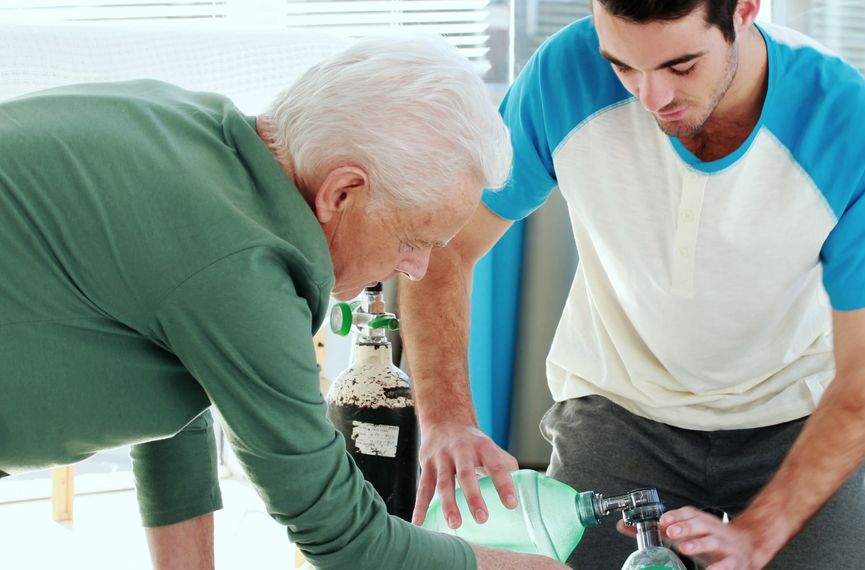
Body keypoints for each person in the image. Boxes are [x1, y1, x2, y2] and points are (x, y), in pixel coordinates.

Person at [0, 33, 567, 570]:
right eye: (412, 240)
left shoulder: (195, 133)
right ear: (342, 192)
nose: (415, 268)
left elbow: (178, 391)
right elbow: (346, 538)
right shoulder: (240, 268)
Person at [399, 1, 865, 569]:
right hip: (621, 409)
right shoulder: (563, 73)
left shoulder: (842, 121)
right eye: (622, 66)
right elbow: (445, 247)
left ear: (743, 10)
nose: (650, 97)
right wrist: (446, 418)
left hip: (796, 416)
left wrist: (759, 534)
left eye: (682, 66)